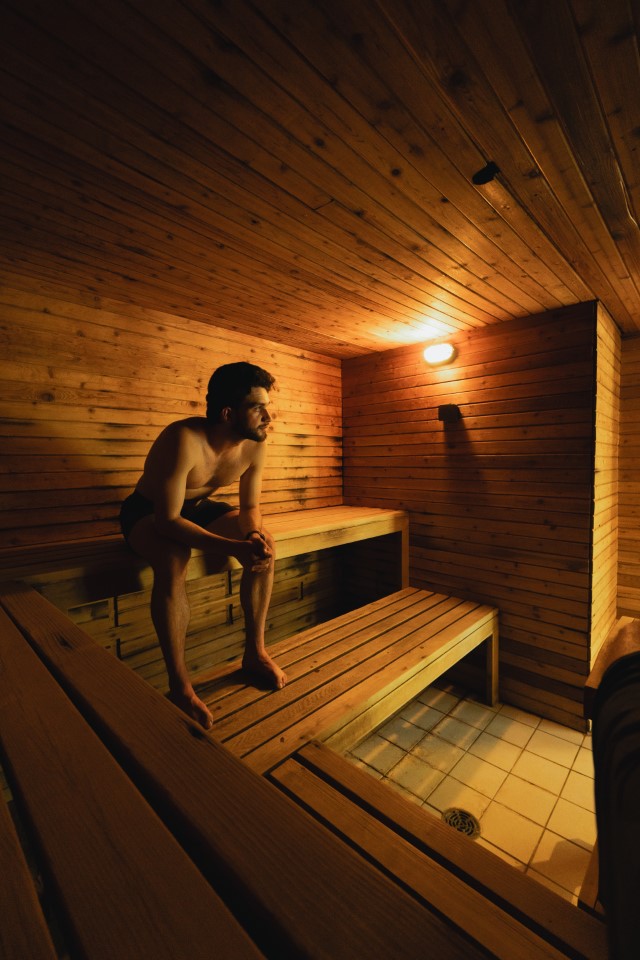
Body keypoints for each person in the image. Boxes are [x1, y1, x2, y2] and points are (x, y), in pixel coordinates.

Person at [119, 361, 287, 730]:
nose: (267, 415)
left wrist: (250, 538)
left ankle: (255, 653)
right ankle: (179, 686)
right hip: (148, 512)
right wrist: (232, 547)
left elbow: (250, 508)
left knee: (265, 544)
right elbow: (167, 521)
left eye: (266, 405)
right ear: (228, 413)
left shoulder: (253, 444)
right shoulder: (182, 439)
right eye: (258, 407)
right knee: (172, 554)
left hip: (198, 508)